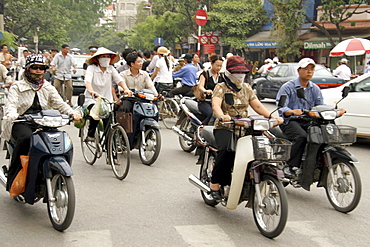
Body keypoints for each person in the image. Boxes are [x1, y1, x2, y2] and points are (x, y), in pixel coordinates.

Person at [1, 54, 81, 194]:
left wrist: (72, 113)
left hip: (43, 121)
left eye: (42, 68)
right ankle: (13, 179)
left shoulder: (47, 87)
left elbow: (59, 103)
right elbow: (11, 105)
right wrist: (13, 115)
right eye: (34, 67)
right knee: (26, 138)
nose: (38, 71)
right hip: (20, 122)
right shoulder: (17, 87)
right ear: (27, 69)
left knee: (59, 138)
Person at [210, 55, 283, 200]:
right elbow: (216, 105)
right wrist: (222, 116)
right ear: (229, 73)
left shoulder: (247, 88)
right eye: (237, 72)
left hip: (245, 126)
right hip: (225, 127)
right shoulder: (221, 87)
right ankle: (215, 184)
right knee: (226, 153)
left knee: (260, 150)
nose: (240, 75)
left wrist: (271, 116)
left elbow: (257, 105)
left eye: (242, 72)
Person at [276, 58, 324, 177]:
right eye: (306, 69)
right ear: (299, 70)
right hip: (290, 121)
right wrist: (291, 111)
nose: (309, 72)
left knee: (322, 134)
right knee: (301, 136)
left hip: (308, 120)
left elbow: (320, 105)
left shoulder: (315, 88)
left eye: (312, 69)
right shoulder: (287, 87)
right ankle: (290, 165)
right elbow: (281, 107)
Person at [84, 47, 131, 141]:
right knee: (95, 113)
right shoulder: (91, 68)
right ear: (97, 59)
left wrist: (126, 89)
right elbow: (87, 81)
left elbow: (119, 80)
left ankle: (109, 145)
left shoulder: (111, 69)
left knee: (109, 122)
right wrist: (92, 91)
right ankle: (90, 135)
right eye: (103, 56)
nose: (106, 58)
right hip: (93, 99)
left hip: (107, 100)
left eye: (108, 57)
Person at [197, 54, 224, 125]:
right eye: (217, 65)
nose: (219, 68)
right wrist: (205, 91)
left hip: (217, 102)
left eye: (220, 66)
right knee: (211, 113)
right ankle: (201, 128)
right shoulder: (205, 74)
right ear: (212, 64)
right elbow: (200, 86)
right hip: (205, 101)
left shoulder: (221, 76)